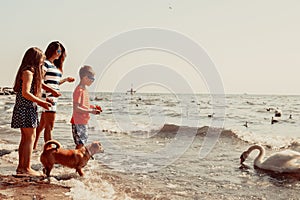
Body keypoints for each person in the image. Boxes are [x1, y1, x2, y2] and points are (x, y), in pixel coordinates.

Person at [11, 47, 60, 176]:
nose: (42, 63)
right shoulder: (28, 72)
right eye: (41, 60)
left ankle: (21, 167)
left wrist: (52, 91)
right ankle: (26, 168)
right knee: (30, 138)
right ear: (35, 59)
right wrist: (41, 102)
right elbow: (25, 93)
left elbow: (38, 84)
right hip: (26, 108)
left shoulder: (29, 71)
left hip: (25, 108)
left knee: (26, 138)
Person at [33, 41, 75, 150]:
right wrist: (53, 91)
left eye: (61, 52)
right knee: (49, 127)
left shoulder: (54, 66)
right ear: (52, 50)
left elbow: (53, 83)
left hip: (52, 96)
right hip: (48, 98)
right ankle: (49, 151)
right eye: (59, 51)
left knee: (42, 125)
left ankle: (34, 146)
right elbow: (39, 81)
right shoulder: (45, 64)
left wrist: (65, 80)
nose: (60, 54)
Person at [70, 65, 101, 149]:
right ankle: (78, 161)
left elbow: (83, 105)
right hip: (78, 121)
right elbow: (76, 108)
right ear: (85, 77)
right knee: (80, 144)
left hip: (83, 121)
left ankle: (80, 161)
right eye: (92, 79)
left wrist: (92, 107)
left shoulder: (85, 90)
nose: (93, 81)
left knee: (83, 142)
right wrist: (91, 111)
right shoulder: (79, 90)